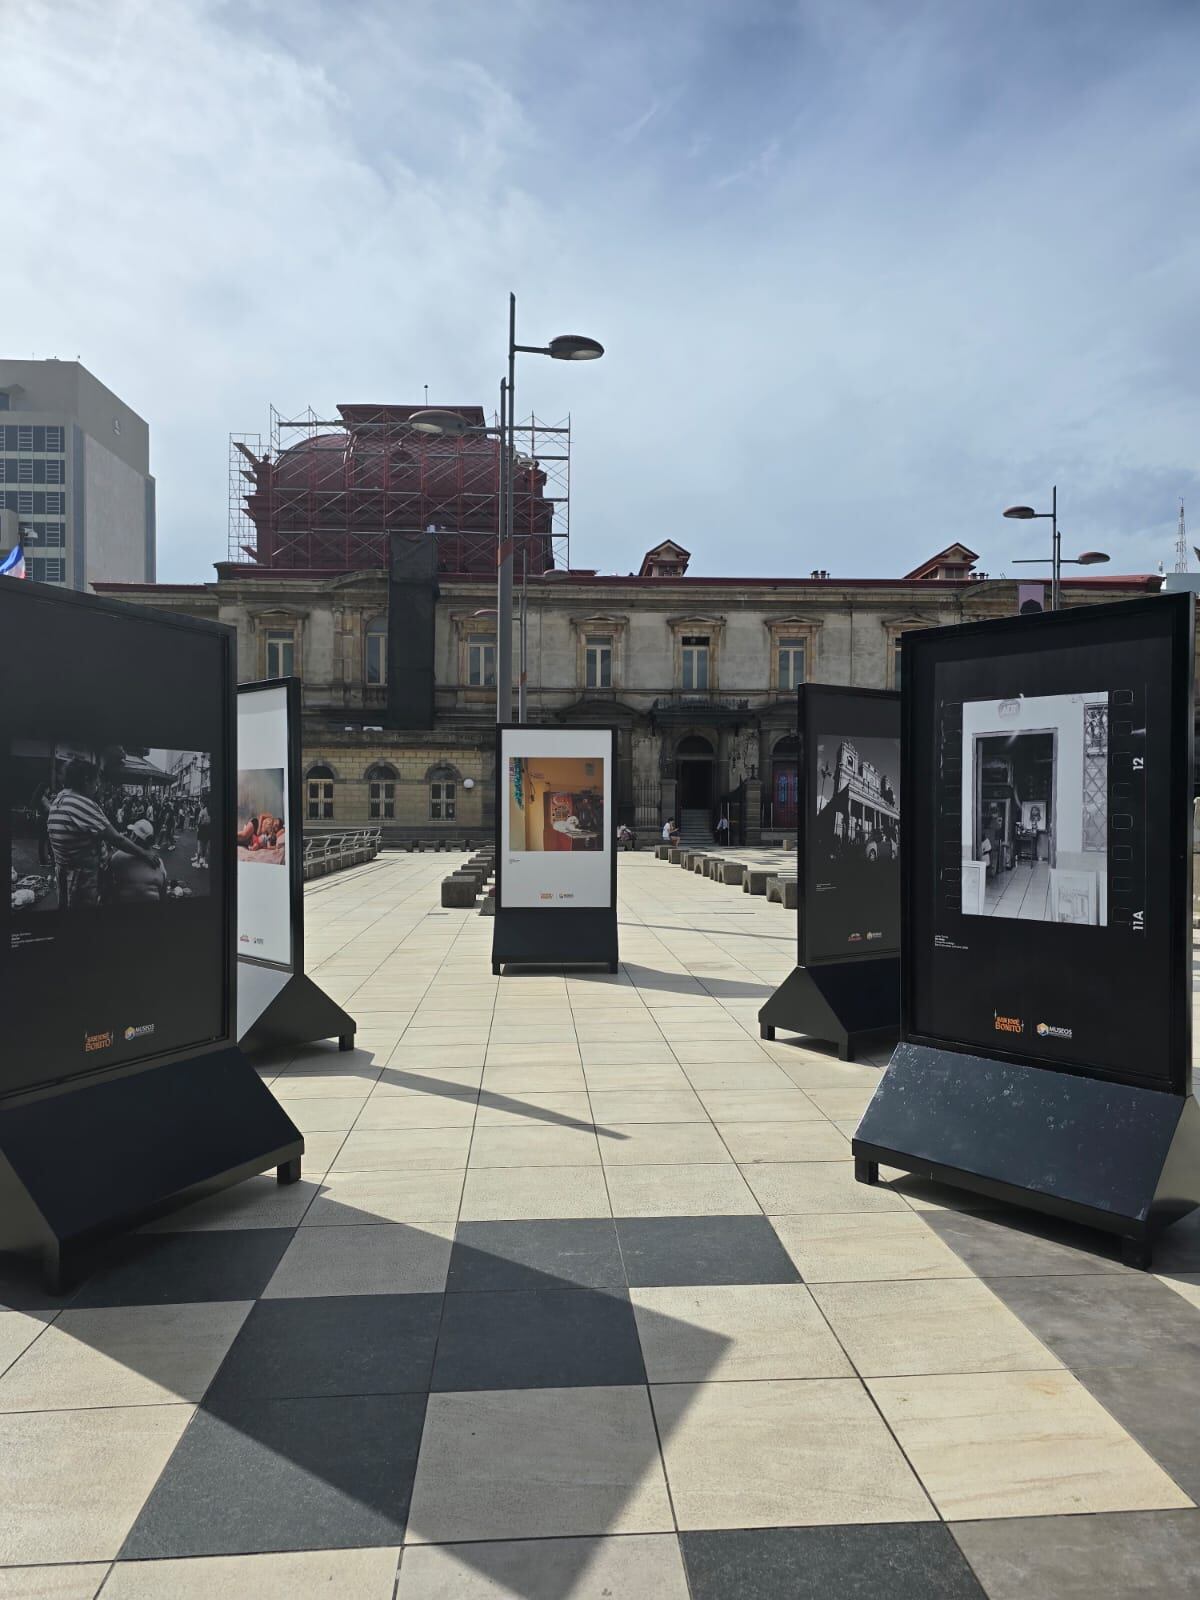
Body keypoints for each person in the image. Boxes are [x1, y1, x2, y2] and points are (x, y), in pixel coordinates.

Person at [46, 759, 162, 909]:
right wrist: (145, 854)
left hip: (64, 873)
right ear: (86, 780)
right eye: (96, 782)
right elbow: (117, 839)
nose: (97, 786)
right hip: (81, 879)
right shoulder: (82, 803)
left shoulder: (60, 798)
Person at [111, 818, 168, 902]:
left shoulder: (117, 857)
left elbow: (110, 886)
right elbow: (163, 891)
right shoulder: (158, 862)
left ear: (134, 836)